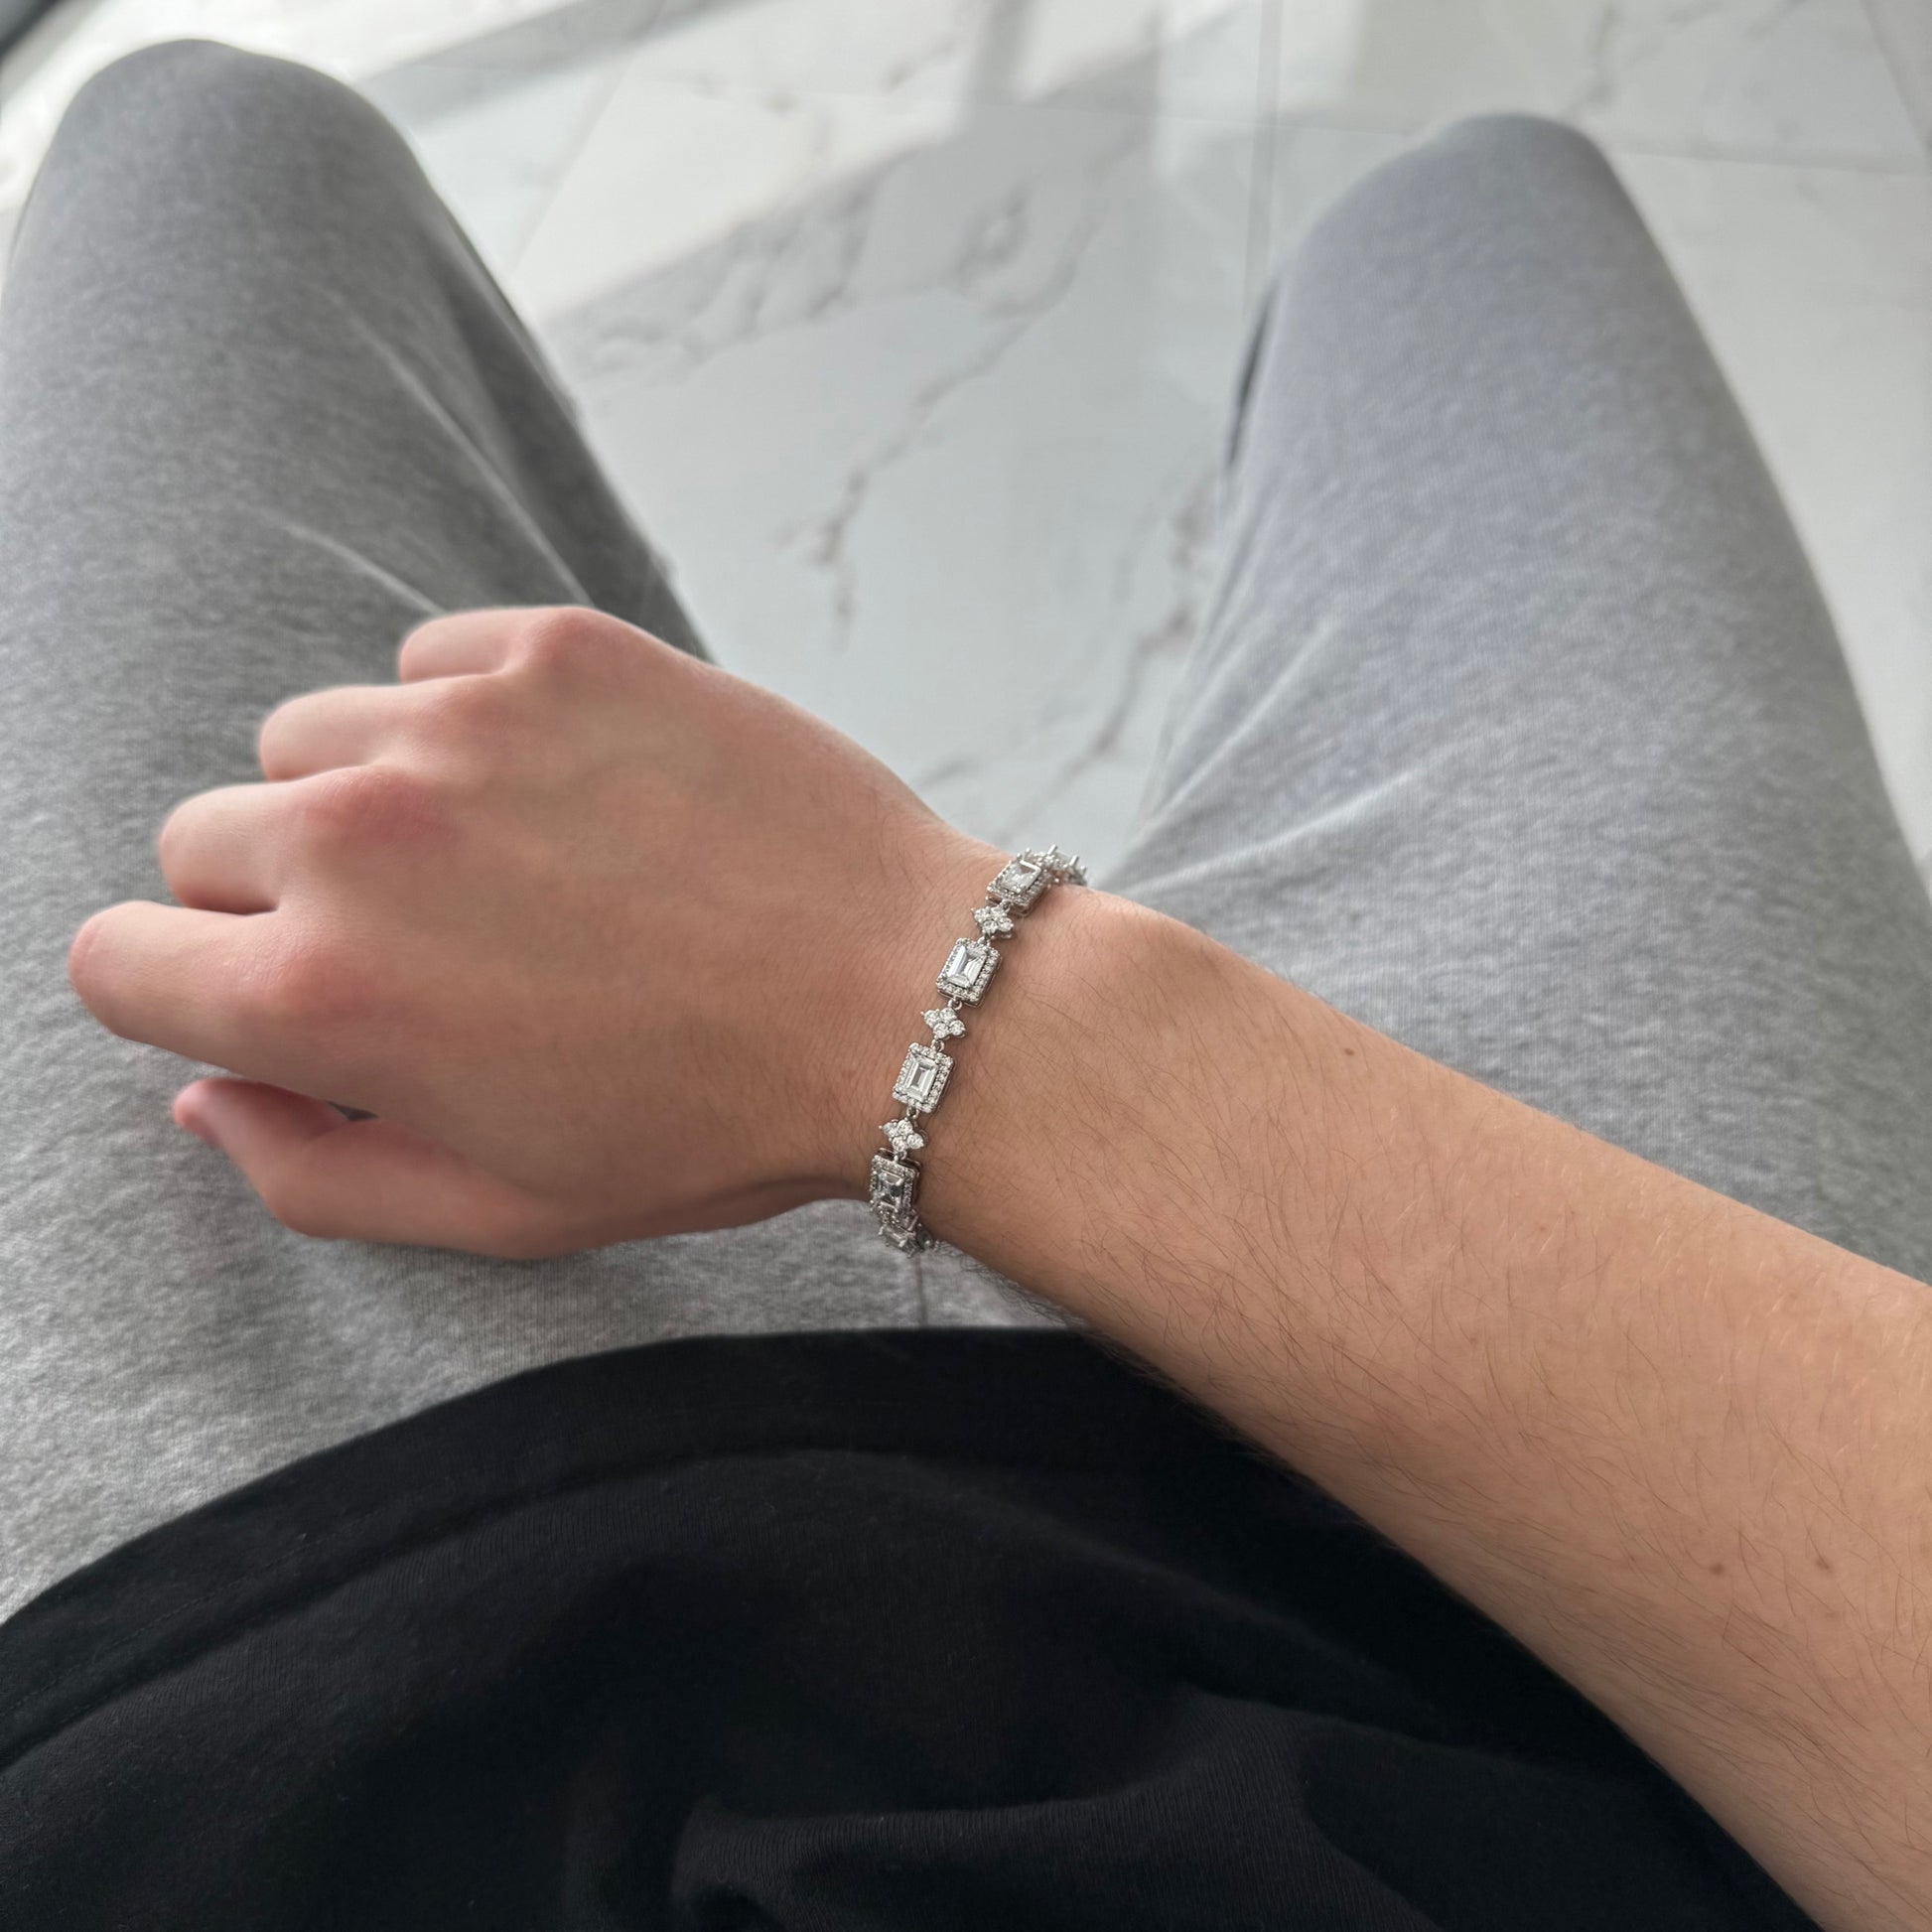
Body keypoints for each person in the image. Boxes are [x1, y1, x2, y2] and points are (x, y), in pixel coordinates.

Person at [0, 37, 1924, 1932]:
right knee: (1475, 211)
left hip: (282, 1650)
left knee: (204, 136)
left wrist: (880, 988)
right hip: (1636, 1672)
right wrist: (917, 992)